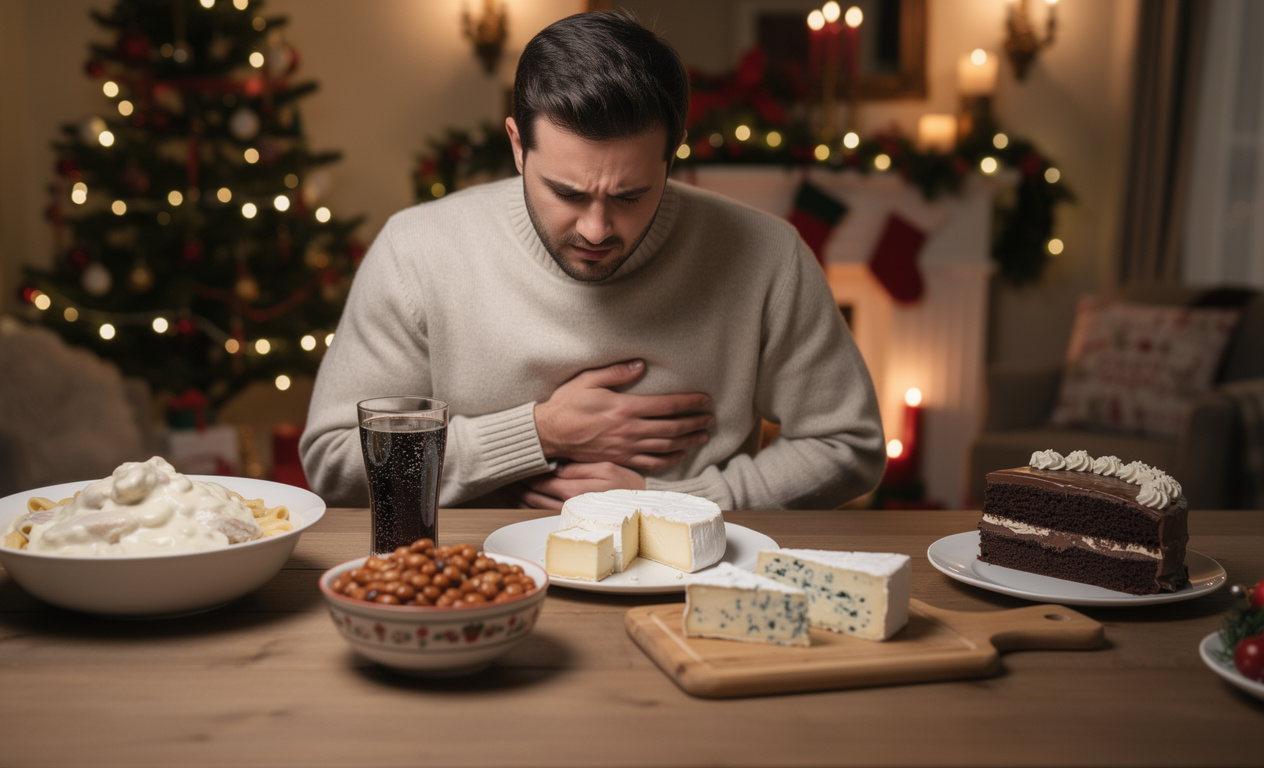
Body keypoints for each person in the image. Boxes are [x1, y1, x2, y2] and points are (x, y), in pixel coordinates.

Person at [300, 10, 884, 511]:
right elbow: (335, 462)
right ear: (517, 146)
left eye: (630, 196)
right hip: (474, 574)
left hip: (687, 579)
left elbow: (849, 446)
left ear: (673, 154)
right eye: (567, 193)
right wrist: (539, 433)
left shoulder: (769, 255)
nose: (596, 229)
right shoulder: (417, 250)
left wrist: (675, 505)